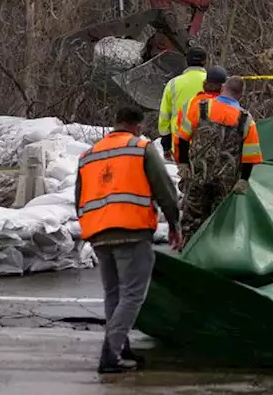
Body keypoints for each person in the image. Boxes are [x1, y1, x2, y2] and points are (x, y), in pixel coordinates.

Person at [74, 105, 183, 374]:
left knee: (114, 294)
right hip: (131, 232)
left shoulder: (88, 155)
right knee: (133, 295)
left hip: (99, 235)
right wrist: (174, 224)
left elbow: (79, 199)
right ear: (137, 126)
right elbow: (164, 189)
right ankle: (110, 354)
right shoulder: (141, 147)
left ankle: (119, 347)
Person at [175, 75, 264, 240]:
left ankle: (187, 253)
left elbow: (182, 138)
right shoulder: (246, 120)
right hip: (225, 181)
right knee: (217, 222)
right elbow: (250, 156)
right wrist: (243, 180)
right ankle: (211, 256)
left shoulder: (201, 108)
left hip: (197, 174)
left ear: (222, 89)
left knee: (192, 218)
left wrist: (183, 164)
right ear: (241, 96)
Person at [158, 46, 209, 161]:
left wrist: (166, 144)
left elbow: (164, 116)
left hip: (179, 143)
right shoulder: (214, 83)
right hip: (208, 143)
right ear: (205, 61)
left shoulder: (173, 84)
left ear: (186, 61)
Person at [171, 65, 226, 162]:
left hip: (193, 158)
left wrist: (181, 161)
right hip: (220, 162)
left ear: (205, 84)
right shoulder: (228, 107)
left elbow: (180, 136)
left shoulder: (190, 103)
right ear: (223, 87)